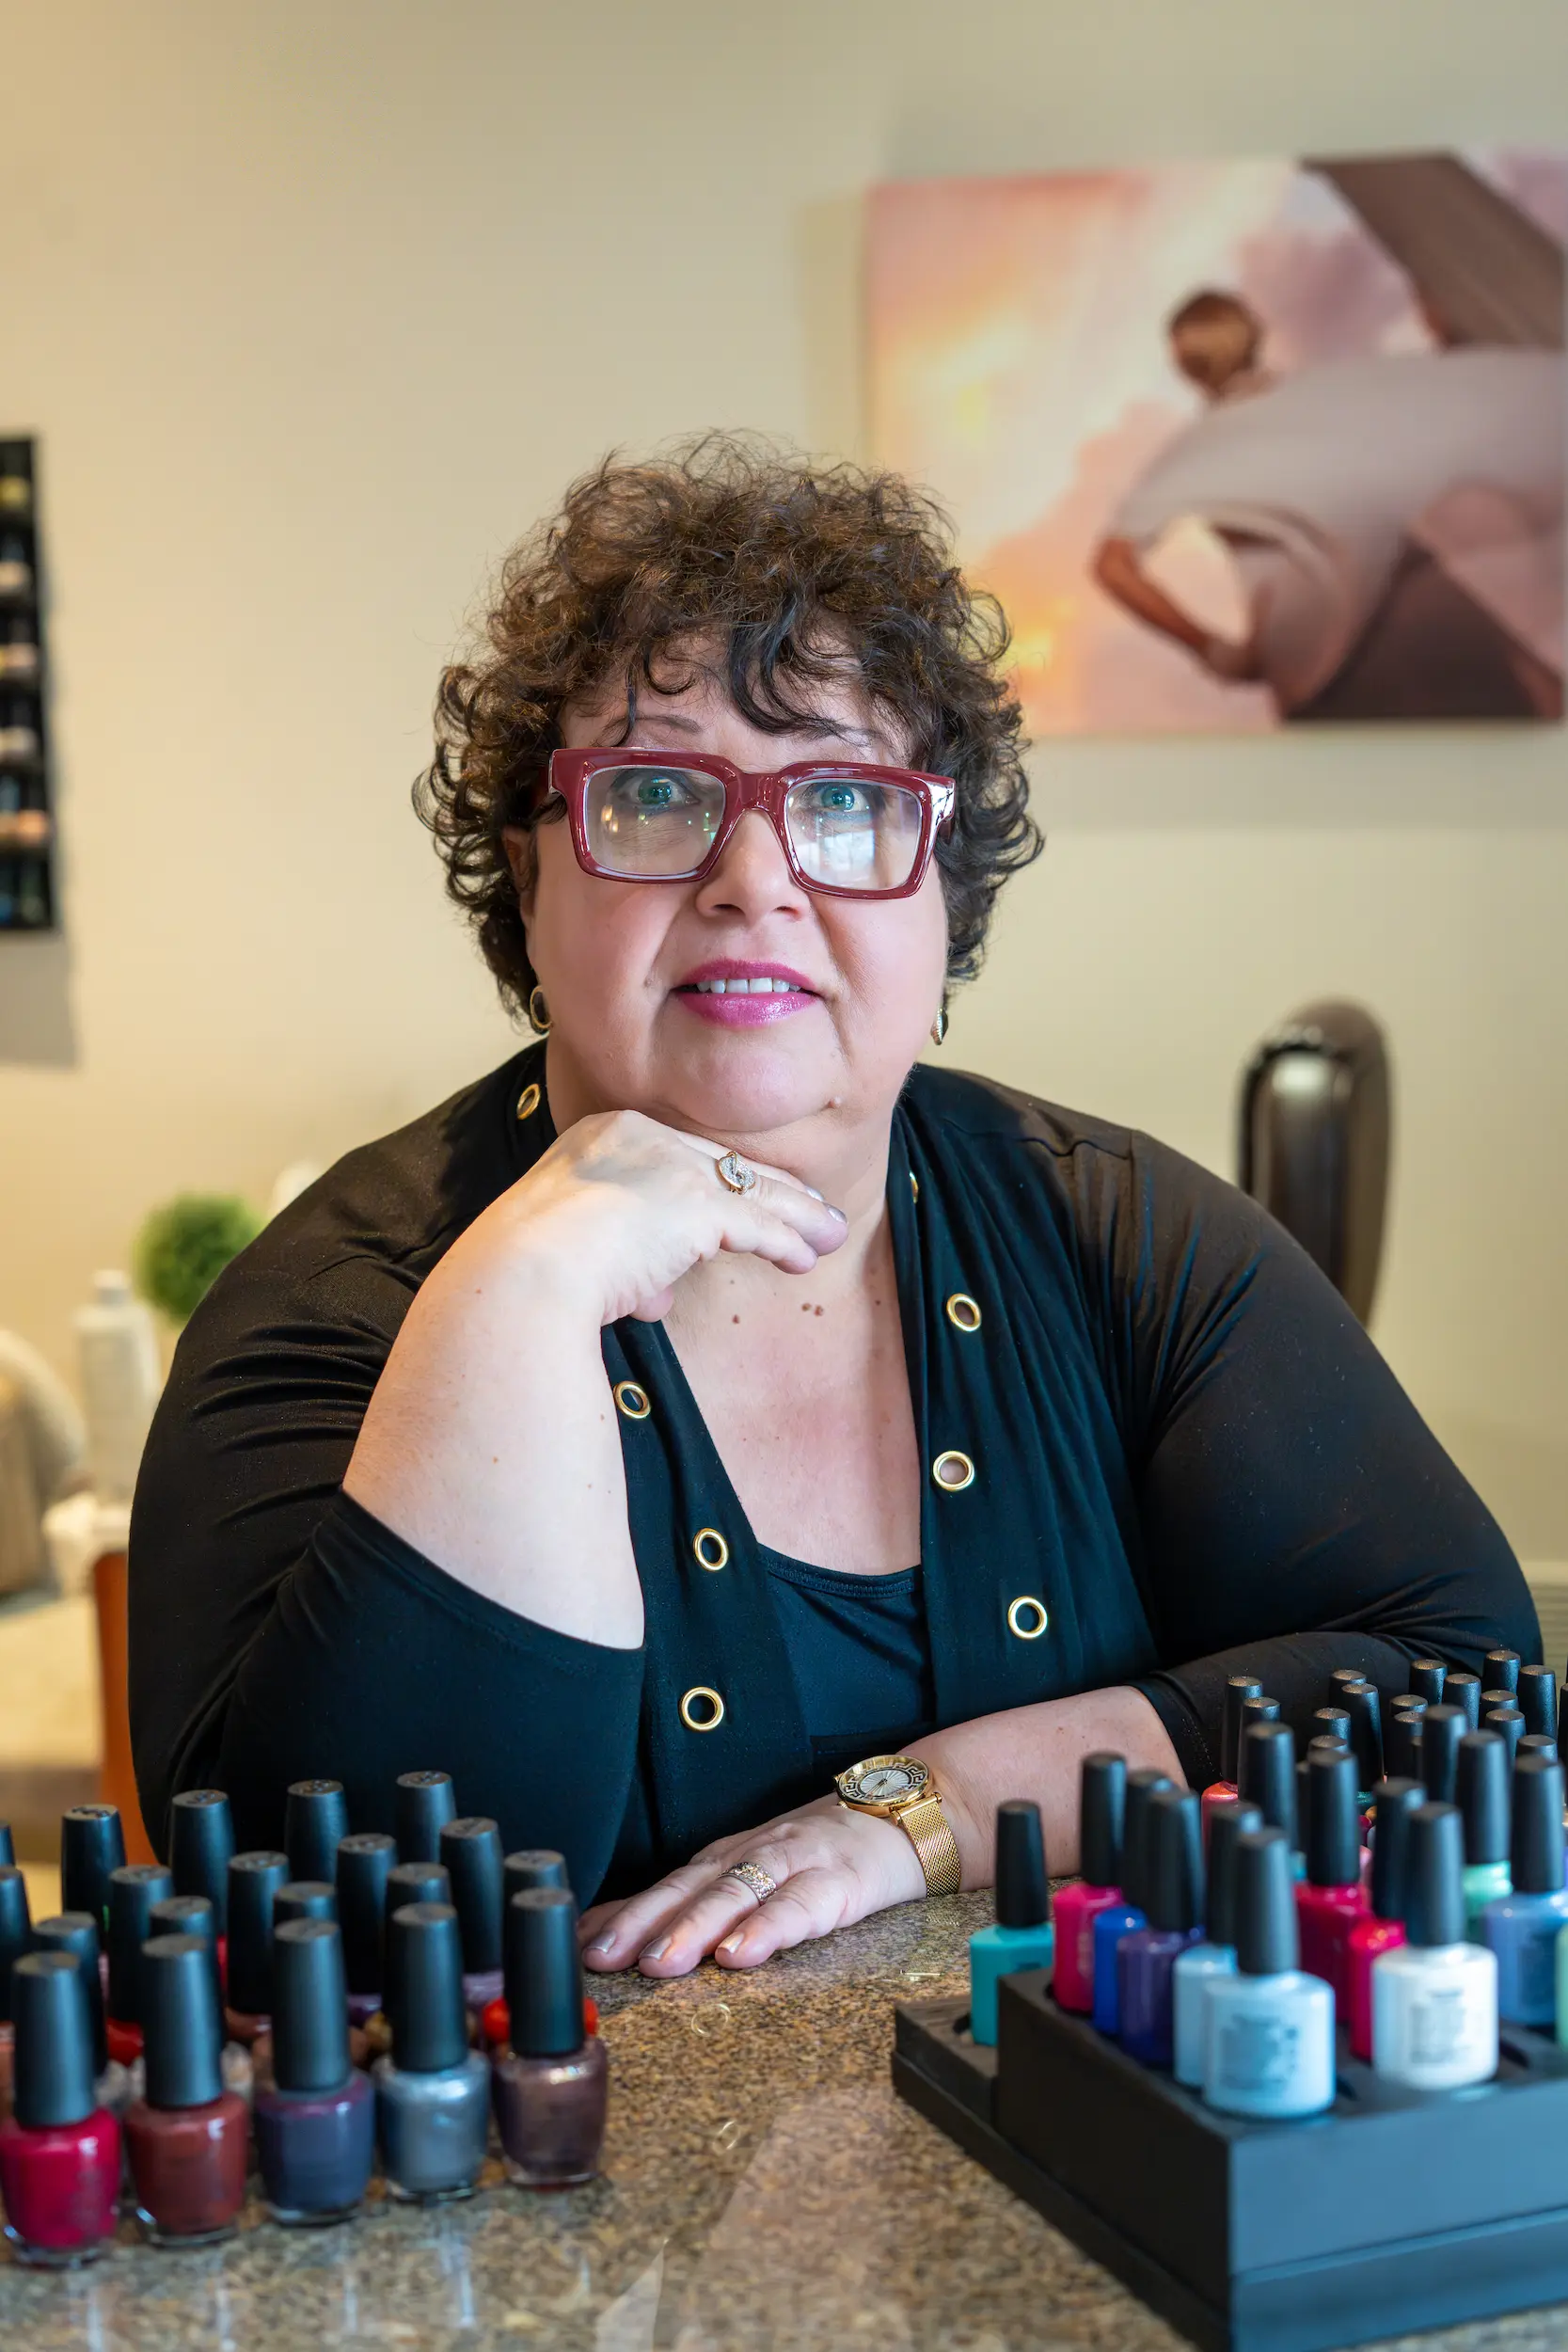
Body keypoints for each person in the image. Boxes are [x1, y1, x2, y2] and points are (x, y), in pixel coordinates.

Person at [129, 438, 1534, 1980]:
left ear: (945, 900)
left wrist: (932, 1808)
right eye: (652, 795)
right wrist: (517, 1304)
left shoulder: (1118, 1234)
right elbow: (327, 1941)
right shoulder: (340, 1308)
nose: (753, 879)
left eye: (847, 802)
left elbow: (1458, 1677)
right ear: (527, 888)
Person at [1093, 289, 1564, 721]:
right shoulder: (1342, 390)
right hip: (1442, 621)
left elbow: (1113, 567)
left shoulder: (1196, 454)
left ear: (1182, 362)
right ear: (1255, 335)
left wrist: (1214, 652)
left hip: (1329, 678)